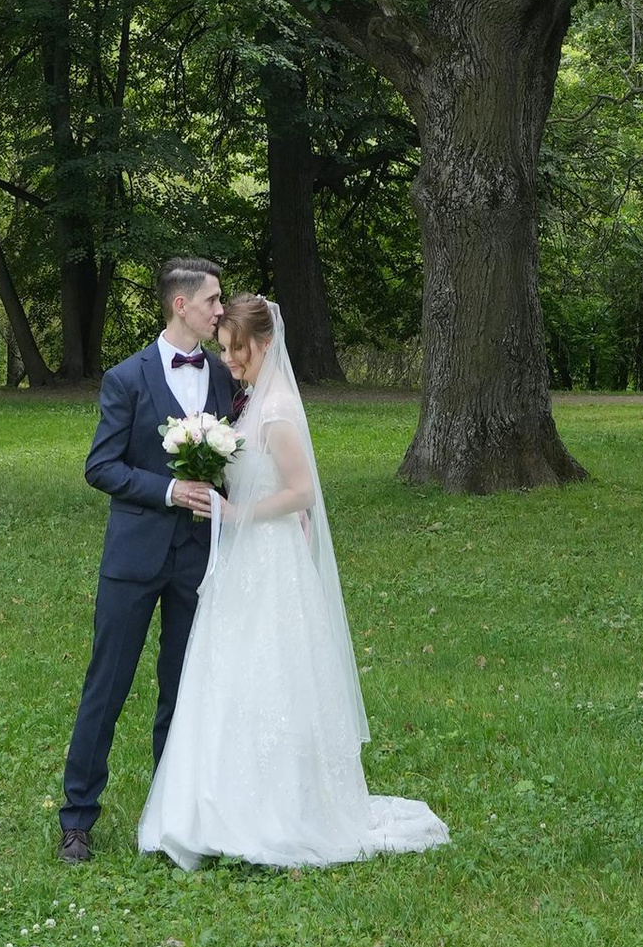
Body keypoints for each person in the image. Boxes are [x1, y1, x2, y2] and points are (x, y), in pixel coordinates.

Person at [139, 294, 448, 871]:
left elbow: (302, 492)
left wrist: (237, 513)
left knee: (271, 669)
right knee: (229, 671)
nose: (230, 360)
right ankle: (214, 805)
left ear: (264, 343)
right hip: (243, 557)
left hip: (270, 556)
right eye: (224, 350)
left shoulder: (278, 408)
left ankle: (278, 807)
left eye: (237, 350)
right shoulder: (252, 400)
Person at [58, 257, 243, 860]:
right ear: (181, 305)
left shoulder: (225, 377)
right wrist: (168, 490)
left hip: (198, 556)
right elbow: (101, 466)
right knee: (106, 685)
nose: (221, 310)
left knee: (183, 689)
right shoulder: (126, 378)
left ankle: (172, 817)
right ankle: (77, 819)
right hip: (133, 558)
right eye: (213, 300)